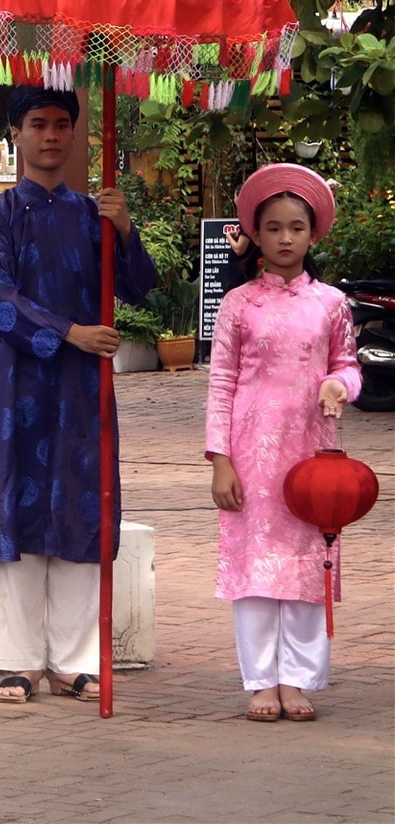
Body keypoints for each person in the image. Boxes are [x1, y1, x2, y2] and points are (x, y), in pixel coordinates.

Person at [0, 87, 156, 705]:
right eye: (37, 124)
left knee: (81, 509)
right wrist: (69, 332)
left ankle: (75, 660)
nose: (50, 136)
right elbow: (0, 301)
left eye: (60, 125)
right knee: (15, 513)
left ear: (74, 134)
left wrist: (124, 230)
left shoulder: (93, 213)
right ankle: (17, 661)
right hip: (18, 382)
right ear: (16, 135)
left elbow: (138, 289)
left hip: (81, 386)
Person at [207, 163, 361, 723]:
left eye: (296, 227)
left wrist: (339, 383)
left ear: (313, 233)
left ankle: (298, 679)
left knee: (305, 563)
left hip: (311, 450)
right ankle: (260, 680)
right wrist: (221, 460)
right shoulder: (238, 304)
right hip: (249, 450)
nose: (285, 238)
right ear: (256, 234)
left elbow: (348, 364)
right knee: (253, 567)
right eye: (273, 228)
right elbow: (221, 383)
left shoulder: (332, 304)